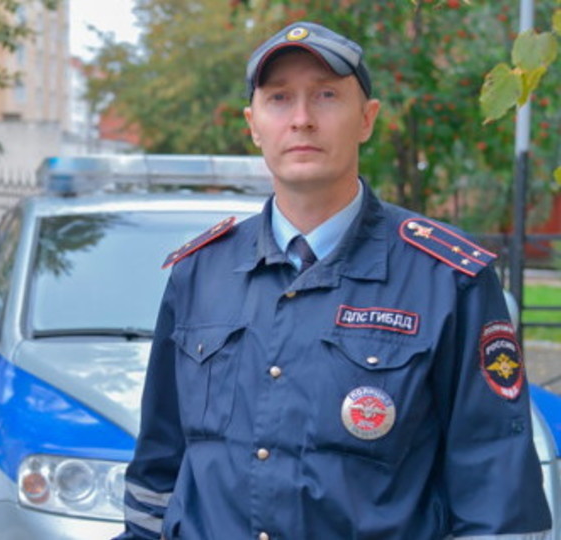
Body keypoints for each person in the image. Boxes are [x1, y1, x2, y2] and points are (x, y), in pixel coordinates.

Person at [119, 22, 552, 539]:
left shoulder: (447, 279)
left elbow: (496, 497)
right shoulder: (198, 274)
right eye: (279, 99)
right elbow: (157, 472)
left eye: (326, 95)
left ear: (366, 119)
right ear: (253, 124)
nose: (301, 119)